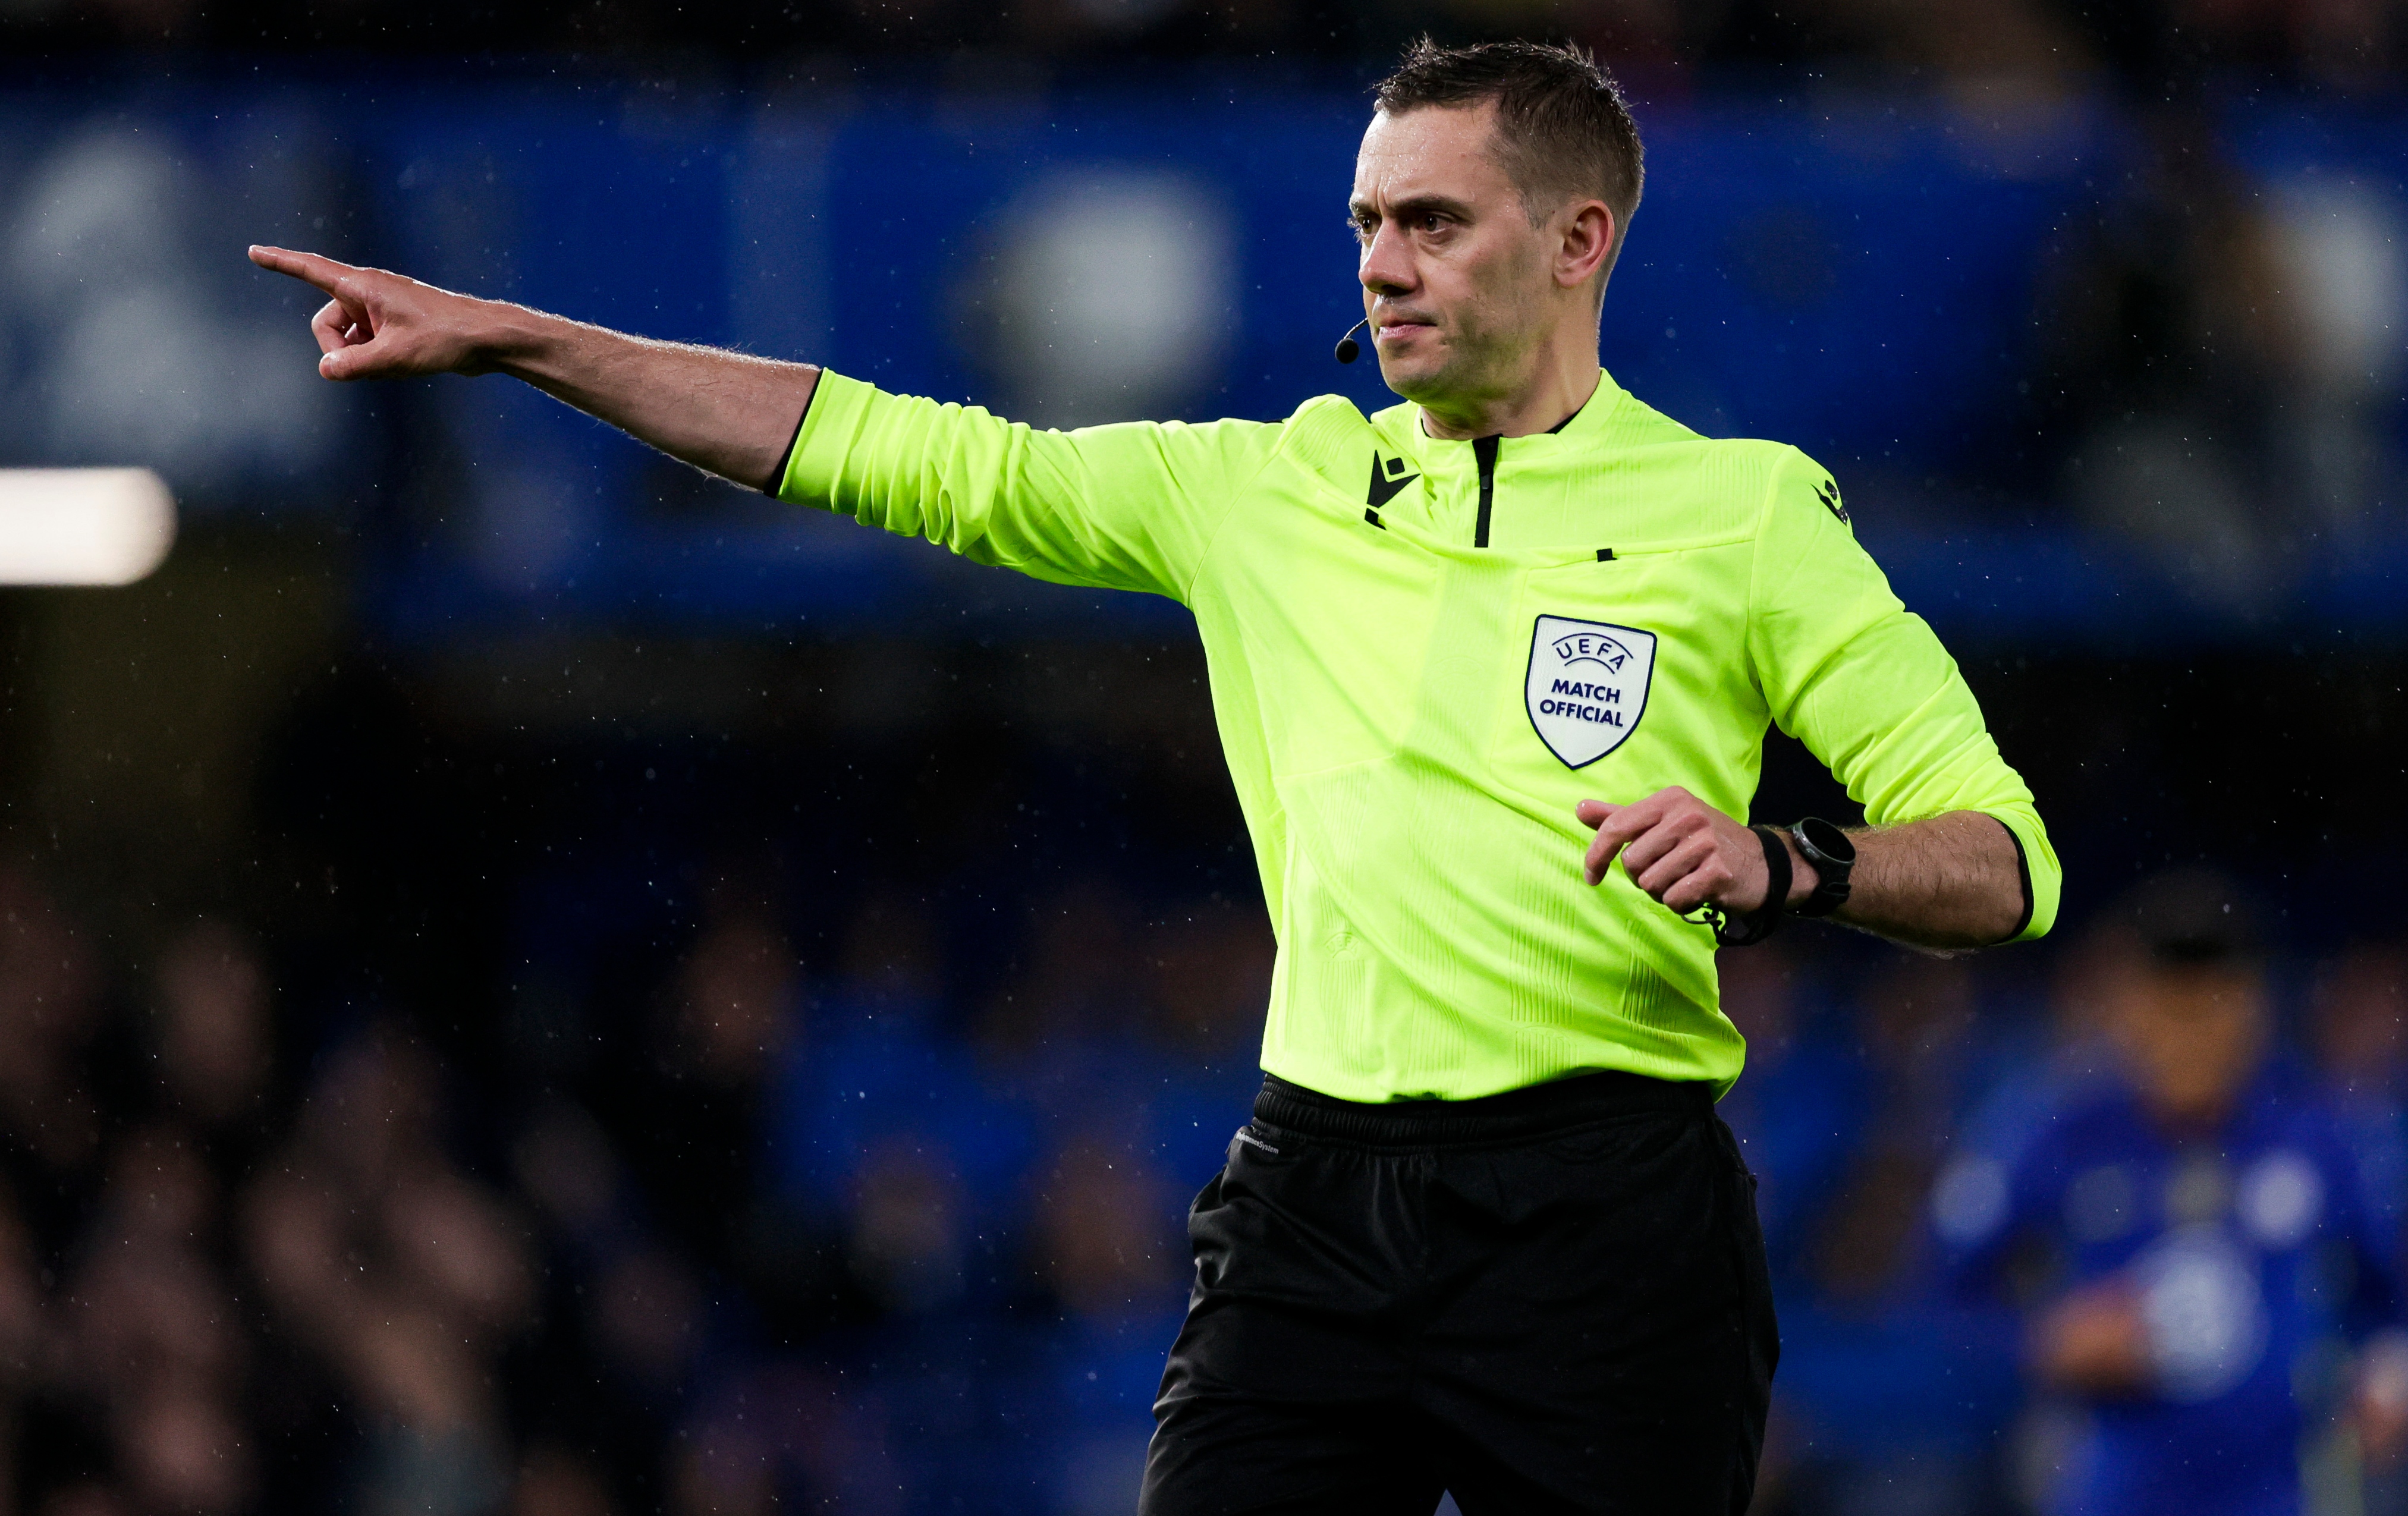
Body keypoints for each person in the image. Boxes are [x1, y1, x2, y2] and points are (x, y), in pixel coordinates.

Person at [247, 37, 2058, 1514]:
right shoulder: (1257, 490)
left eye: (1434, 220)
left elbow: (2005, 860)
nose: (1384, 263)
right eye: (1368, 221)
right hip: (1317, 1201)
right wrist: (522, 342)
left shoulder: (1742, 515)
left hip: (1612, 1222)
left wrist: (1789, 864)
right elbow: (889, 449)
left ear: (1579, 241)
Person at [1935, 870, 2407, 1516]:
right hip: (2105, 1489)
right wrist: (2043, 1340)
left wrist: (2386, 1375)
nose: (2192, 1035)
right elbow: (1941, 1298)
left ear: (2257, 1007)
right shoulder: (2057, 1130)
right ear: (2126, 1006)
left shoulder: (2319, 1132)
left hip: (2280, 1493)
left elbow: (2384, 1300)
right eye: (2170, 1006)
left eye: (2214, 1006)